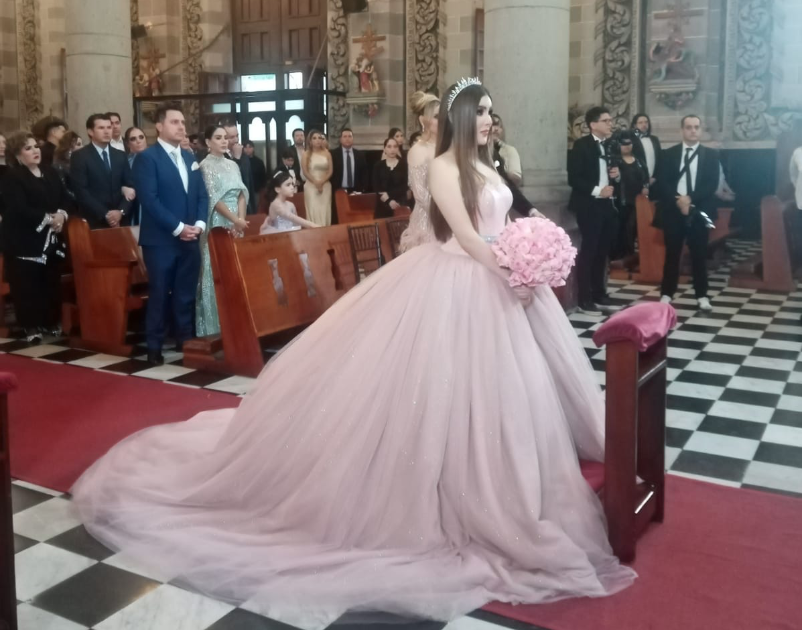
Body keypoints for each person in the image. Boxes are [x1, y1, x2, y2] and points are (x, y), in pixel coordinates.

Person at [72, 79, 635, 628]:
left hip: (500, 281)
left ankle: (520, 470)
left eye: (490, 110)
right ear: (461, 118)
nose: (489, 119)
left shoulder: (485, 163)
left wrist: (530, 245)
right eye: (481, 111)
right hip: (462, 279)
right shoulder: (444, 165)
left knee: (509, 387)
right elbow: (465, 236)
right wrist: (512, 268)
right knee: (442, 385)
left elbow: (501, 220)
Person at [133, 102, 208, 365]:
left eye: (183, 123)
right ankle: (154, 346)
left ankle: (184, 340)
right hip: (161, 240)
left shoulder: (190, 158)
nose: (181, 127)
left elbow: (201, 195)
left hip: (190, 236)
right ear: (159, 126)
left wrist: (199, 225)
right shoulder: (148, 158)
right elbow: (149, 200)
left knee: (185, 292)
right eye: (175, 122)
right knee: (160, 292)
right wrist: (178, 228)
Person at [0, 131, 69, 341]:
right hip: (24, 238)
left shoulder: (50, 172)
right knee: (27, 283)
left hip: (51, 237)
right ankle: (30, 326)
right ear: (17, 155)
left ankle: (50, 321)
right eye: (28, 148)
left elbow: (65, 198)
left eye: (36, 146)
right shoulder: (12, 177)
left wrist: (61, 215)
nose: (35, 151)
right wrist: (48, 218)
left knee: (50, 280)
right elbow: (17, 208)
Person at [655, 115, 719, 311]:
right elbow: (662, 181)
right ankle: (666, 293)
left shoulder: (711, 155)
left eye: (696, 127)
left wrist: (689, 199)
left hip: (699, 210)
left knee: (699, 254)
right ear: (682, 130)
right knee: (672, 253)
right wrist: (678, 200)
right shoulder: (669, 154)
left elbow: (711, 184)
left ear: (700, 130)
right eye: (689, 127)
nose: (693, 130)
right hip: (673, 209)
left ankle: (702, 295)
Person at [196, 125, 250, 337]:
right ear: (208, 142)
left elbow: (242, 193)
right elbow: (213, 198)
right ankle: (214, 326)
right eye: (218, 137)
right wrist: (234, 219)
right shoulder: (205, 166)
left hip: (237, 221)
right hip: (218, 220)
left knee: (235, 270)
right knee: (216, 268)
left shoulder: (233, 164)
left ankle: (236, 323)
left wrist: (241, 220)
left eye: (225, 137)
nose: (224, 141)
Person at [568, 106, 620, 314]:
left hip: (607, 205)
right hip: (589, 205)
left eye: (610, 120)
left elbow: (612, 173)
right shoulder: (581, 146)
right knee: (589, 251)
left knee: (603, 251)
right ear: (593, 124)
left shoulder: (610, 145)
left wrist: (616, 176)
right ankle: (584, 298)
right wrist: (599, 191)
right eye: (606, 121)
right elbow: (574, 178)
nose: (610, 124)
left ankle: (599, 292)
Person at [70, 113, 135, 229]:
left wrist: (121, 211)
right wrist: (106, 214)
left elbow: (129, 186)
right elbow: (81, 191)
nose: (106, 131)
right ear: (90, 131)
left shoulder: (120, 155)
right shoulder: (80, 156)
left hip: (121, 221)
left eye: (109, 127)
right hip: (95, 220)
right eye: (101, 128)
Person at [399, 91, 440, 251]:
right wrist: (450, 214)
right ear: (423, 120)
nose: (443, 120)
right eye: (436, 116)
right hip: (427, 221)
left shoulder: (447, 147)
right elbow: (421, 195)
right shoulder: (418, 150)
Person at [611, 130, 649, 260]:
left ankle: (630, 255)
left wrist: (646, 187)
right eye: (623, 144)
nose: (627, 146)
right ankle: (622, 256)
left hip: (638, 201)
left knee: (633, 228)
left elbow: (645, 177)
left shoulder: (639, 161)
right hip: (621, 201)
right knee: (622, 229)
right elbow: (612, 180)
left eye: (629, 143)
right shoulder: (615, 161)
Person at [222, 122, 257, 215]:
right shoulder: (220, 156)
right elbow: (228, 181)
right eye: (232, 137)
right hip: (229, 208)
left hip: (246, 205)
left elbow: (249, 182)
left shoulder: (243, 155)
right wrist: (236, 159)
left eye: (237, 136)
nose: (236, 140)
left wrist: (253, 208)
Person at [301, 129, 333, 226]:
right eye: (314, 138)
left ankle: (325, 231)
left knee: (325, 210)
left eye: (319, 138)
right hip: (311, 186)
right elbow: (305, 171)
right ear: (310, 141)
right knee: (313, 209)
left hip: (325, 185)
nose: (317, 140)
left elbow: (330, 171)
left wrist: (322, 182)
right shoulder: (306, 154)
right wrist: (316, 182)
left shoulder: (327, 153)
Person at [373, 137, 408, 218]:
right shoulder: (378, 166)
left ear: (398, 149)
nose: (392, 149)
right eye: (389, 146)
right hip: (383, 204)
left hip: (399, 203)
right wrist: (389, 201)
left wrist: (389, 195)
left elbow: (405, 185)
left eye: (395, 146)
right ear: (384, 149)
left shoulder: (404, 165)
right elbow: (376, 187)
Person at [331, 127, 368, 195]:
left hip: (356, 190)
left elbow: (364, 174)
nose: (347, 139)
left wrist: (363, 189)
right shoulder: (333, 154)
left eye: (350, 136)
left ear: (353, 139)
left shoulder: (360, 155)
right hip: (338, 190)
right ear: (340, 139)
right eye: (345, 136)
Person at [51, 130, 83, 207]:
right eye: (78, 144)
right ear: (69, 146)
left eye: (82, 144)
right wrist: (81, 199)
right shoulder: (59, 166)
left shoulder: (81, 162)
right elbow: (63, 189)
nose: (82, 147)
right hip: (70, 206)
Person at [124, 127, 148, 225]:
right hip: (132, 207)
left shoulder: (157, 158)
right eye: (133, 139)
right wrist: (123, 188)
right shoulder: (124, 162)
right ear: (127, 143)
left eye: (141, 137)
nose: (138, 141)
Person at [490, 113, 522, 186]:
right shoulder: (478, 151)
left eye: (500, 126)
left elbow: (516, 178)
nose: (496, 129)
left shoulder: (510, 150)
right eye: (493, 125)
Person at [631, 113, 661, 182]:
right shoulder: (631, 140)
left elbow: (660, 159)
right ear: (635, 125)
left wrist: (655, 177)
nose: (644, 125)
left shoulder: (655, 139)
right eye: (640, 123)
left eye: (646, 122)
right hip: (637, 181)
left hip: (654, 181)